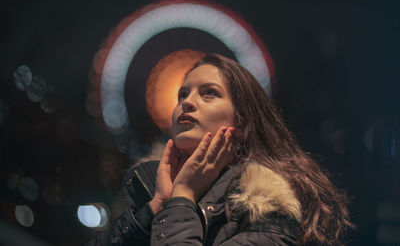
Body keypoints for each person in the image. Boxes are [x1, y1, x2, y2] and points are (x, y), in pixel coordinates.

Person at [87, 53, 353, 246]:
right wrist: (155, 208)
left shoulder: (267, 211)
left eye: (209, 93)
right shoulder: (150, 189)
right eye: (183, 94)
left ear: (242, 121)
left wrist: (183, 197)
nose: (187, 103)